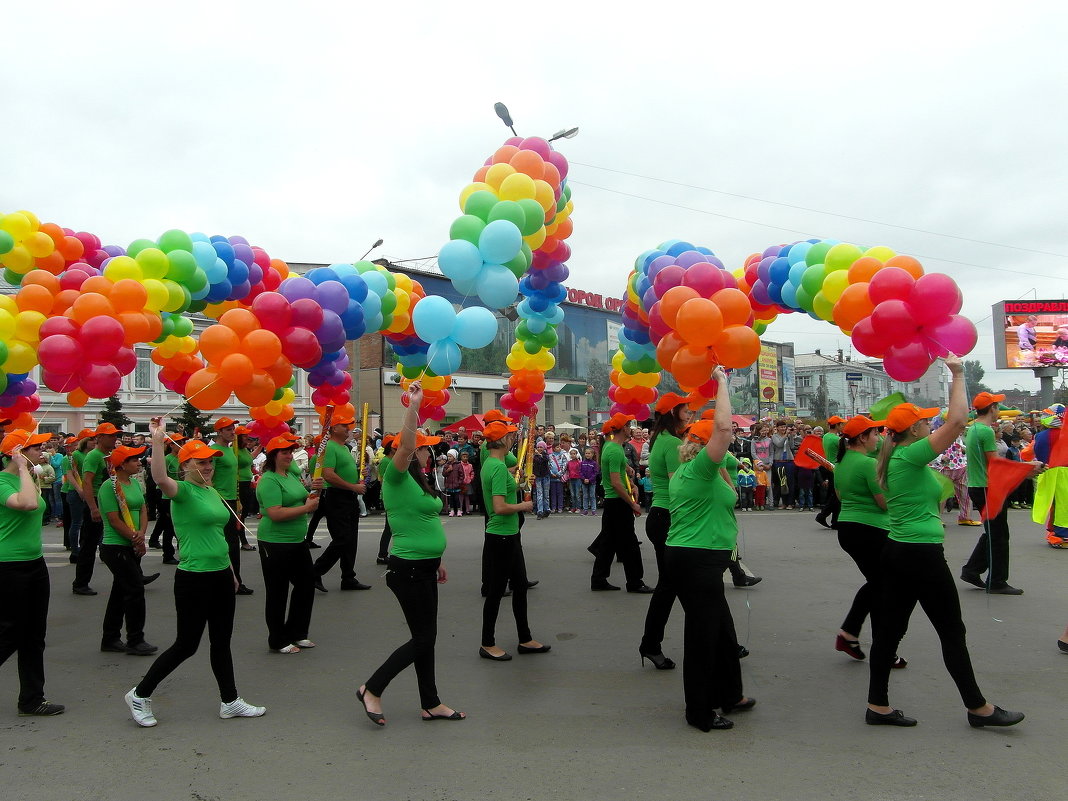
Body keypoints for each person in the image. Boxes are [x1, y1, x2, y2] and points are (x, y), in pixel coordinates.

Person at [865, 357, 1024, 729]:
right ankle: (978, 708)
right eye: (923, 420)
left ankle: (878, 705)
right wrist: (956, 374)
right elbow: (955, 422)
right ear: (914, 430)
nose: (928, 423)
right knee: (951, 631)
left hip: (899, 551)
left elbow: (949, 424)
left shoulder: (897, 456)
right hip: (920, 555)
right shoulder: (909, 454)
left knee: (890, 631)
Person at [126, 422, 266, 728]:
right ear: (185, 465)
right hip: (193, 578)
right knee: (186, 644)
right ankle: (139, 693)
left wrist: (231, 572)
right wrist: (158, 440)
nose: (208, 466)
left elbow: (218, 535)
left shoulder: (210, 490)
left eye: (211, 461)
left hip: (219, 575)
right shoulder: (183, 491)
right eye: (200, 461)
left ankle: (230, 701)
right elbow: (160, 477)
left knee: (221, 641)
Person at [358, 383, 465, 725]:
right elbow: (405, 443)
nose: (427, 453)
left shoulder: (417, 481)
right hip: (407, 569)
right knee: (423, 638)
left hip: (425, 566)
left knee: (426, 637)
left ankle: (430, 702)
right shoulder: (394, 475)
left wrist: (438, 559)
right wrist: (414, 406)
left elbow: (423, 519)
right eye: (423, 449)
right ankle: (372, 688)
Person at [663, 369, 754, 732]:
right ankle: (699, 711)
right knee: (703, 636)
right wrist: (722, 382)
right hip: (696, 560)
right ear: (706, 447)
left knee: (723, 631)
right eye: (720, 446)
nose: (728, 446)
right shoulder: (701, 469)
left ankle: (730, 693)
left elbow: (728, 495)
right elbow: (723, 429)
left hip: (701, 559)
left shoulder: (703, 472)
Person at [0, 429, 65, 717]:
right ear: (18, 453)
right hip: (8, 565)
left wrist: (27, 470)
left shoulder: (31, 477)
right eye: (36, 448)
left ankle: (31, 699)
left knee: (34, 634)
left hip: (35, 563)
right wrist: (23, 468)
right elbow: (25, 504)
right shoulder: (2, 480)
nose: (43, 451)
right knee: (10, 633)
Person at [832, 416, 905, 670]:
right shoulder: (866, 464)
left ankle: (851, 634)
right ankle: (880, 648)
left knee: (878, 585)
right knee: (883, 588)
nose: (879, 438)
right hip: (871, 530)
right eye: (875, 433)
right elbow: (884, 502)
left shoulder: (842, 463)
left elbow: (840, 496)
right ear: (863, 437)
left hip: (849, 528)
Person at [478, 415, 548, 661]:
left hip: (509, 535)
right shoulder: (495, 466)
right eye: (509, 435)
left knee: (520, 587)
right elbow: (498, 507)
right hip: (501, 535)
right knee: (497, 591)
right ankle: (487, 643)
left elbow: (505, 490)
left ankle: (525, 638)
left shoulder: (492, 463)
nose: (512, 438)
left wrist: (519, 486)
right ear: (501, 440)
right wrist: (524, 506)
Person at [961, 392, 1041, 595]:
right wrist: (1026, 467)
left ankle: (972, 570)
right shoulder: (985, 431)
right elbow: (995, 463)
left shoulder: (974, 428)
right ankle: (996, 581)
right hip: (988, 487)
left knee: (993, 533)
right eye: (997, 406)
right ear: (992, 408)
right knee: (998, 535)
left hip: (980, 486)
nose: (999, 410)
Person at [638, 393, 696, 670]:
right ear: (674, 413)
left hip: (661, 517)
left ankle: (720, 638)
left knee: (678, 586)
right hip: (669, 518)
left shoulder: (660, 439)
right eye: (686, 411)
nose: (691, 414)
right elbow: (679, 489)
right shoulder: (672, 443)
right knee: (673, 586)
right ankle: (650, 644)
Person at [255, 436, 322, 654]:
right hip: (274, 543)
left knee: (305, 585)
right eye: (284, 452)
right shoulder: (269, 480)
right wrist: (306, 509)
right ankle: (277, 639)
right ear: (273, 455)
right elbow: (274, 513)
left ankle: (297, 632)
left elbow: (302, 498)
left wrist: (314, 488)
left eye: (290, 451)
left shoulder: (291, 475)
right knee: (278, 591)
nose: (289, 455)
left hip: (297, 541)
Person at [98, 445, 159, 657]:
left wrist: (142, 533)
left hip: (133, 543)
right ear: (122, 464)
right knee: (134, 590)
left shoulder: (133, 483)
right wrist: (134, 538)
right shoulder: (109, 487)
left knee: (120, 592)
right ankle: (135, 639)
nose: (139, 462)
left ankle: (110, 637)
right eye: (134, 460)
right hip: (116, 546)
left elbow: (143, 509)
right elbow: (114, 519)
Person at [590, 414, 652, 593]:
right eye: (629, 425)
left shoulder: (612, 447)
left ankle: (599, 579)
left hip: (613, 502)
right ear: (623, 428)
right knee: (630, 544)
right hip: (617, 502)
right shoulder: (614, 450)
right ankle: (635, 581)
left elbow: (621, 472)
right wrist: (632, 503)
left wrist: (631, 482)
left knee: (608, 543)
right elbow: (616, 483)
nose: (631, 428)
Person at [311, 413, 369, 592]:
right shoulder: (329, 446)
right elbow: (328, 474)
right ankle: (315, 572)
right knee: (343, 538)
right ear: (334, 428)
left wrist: (359, 478)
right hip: (337, 497)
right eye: (344, 425)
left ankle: (348, 577)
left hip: (348, 497)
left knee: (351, 540)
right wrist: (352, 487)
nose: (348, 428)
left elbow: (343, 471)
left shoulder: (344, 447)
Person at [73, 423, 124, 596]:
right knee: (89, 543)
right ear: (99, 437)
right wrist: (93, 508)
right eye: (111, 435)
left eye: (115, 435)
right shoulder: (94, 456)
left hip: (109, 500)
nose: (114, 438)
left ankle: (134, 575)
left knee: (121, 537)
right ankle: (80, 583)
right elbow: (87, 481)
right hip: (95, 500)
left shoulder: (110, 454)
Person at [209, 418, 252, 595]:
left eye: (232, 429)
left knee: (231, 542)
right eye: (228, 429)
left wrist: (238, 502)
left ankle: (233, 580)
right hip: (220, 500)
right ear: (219, 432)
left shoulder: (230, 450)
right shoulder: (213, 451)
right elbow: (208, 479)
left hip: (233, 500)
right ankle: (232, 582)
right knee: (229, 543)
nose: (232, 432)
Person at [148, 433, 185, 565]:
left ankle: (180, 550)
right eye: (178, 443)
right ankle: (168, 554)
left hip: (179, 494)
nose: (181, 445)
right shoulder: (167, 459)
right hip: (167, 497)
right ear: (171, 445)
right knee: (169, 527)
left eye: (182, 443)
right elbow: (161, 478)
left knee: (172, 524)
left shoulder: (181, 458)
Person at [816, 416, 845, 528]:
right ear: (837, 425)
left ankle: (834, 520)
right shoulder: (836, 439)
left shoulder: (826, 436)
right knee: (836, 496)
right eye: (841, 424)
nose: (843, 426)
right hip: (835, 467)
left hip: (828, 466)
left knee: (834, 495)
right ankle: (823, 515)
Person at [235, 427, 259, 548]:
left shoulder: (244, 450)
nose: (248, 438)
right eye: (244, 436)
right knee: (240, 513)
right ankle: (243, 541)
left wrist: (260, 446)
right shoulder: (234, 450)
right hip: (239, 484)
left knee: (243, 513)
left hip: (247, 484)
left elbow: (250, 458)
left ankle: (242, 540)